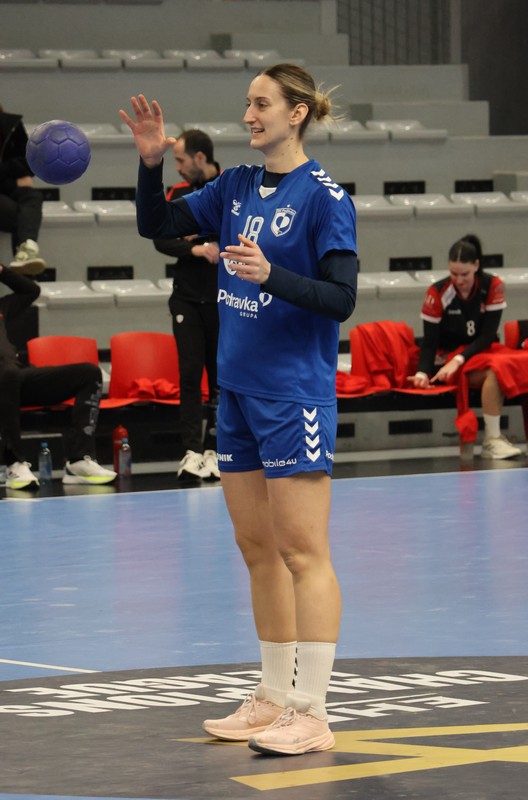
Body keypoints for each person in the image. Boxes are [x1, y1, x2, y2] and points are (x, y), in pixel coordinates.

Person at [120, 63, 357, 755]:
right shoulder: (235, 185)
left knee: (303, 552)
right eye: (247, 103)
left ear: (297, 113)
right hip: (239, 393)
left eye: (261, 103)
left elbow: (341, 299)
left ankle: (312, 711)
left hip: (293, 394)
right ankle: (274, 696)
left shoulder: (326, 199)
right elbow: (156, 224)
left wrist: (271, 275)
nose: (249, 115)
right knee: (257, 549)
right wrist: (150, 163)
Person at [0, 263, 117, 489]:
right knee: (9, 373)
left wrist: (3, 271)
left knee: (89, 373)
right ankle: (14, 463)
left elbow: (31, 290)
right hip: (5, 379)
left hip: (16, 379)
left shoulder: (3, 307)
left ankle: (78, 461)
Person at [408, 233, 523, 459]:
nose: (459, 280)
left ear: (476, 266)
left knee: (515, 364)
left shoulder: (492, 286)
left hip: (478, 353)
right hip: (446, 361)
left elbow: (488, 336)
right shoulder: (437, 293)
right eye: (453, 273)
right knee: (495, 373)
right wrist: (422, 373)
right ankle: (492, 440)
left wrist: (460, 359)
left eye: (465, 274)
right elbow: (429, 343)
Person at [153, 129, 221, 482]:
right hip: (187, 299)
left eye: (181, 160)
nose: (177, 167)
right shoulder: (178, 192)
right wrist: (195, 247)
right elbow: (161, 238)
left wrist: (205, 233)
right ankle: (192, 451)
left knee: (221, 377)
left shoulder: (228, 189)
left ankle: (216, 449)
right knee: (190, 375)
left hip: (223, 300)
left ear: (200, 157)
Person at [0, 104, 46, 275]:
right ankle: (24, 257)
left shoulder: (10, 125)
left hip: (8, 189)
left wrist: (6, 172)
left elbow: (30, 162)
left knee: (33, 196)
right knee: (21, 216)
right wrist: (14, 181)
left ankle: (26, 249)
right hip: (9, 187)